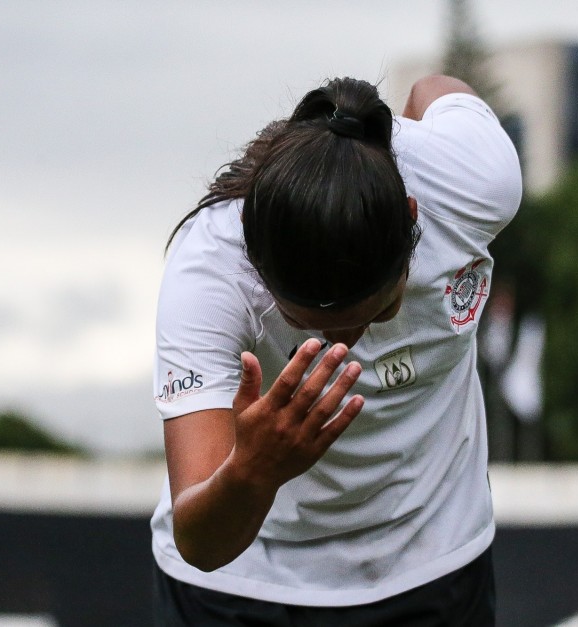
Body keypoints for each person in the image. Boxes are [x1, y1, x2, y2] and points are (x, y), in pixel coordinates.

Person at [151, 74, 522, 626]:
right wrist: (255, 470)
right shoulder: (209, 274)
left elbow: (430, 87)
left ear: (413, 223)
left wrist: (383, 159)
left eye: (373, 313)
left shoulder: (471, 181)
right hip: (242, 584)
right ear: (256, 265)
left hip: (435, 563)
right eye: (309, 326)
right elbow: (200, 544)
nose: (343, 347)